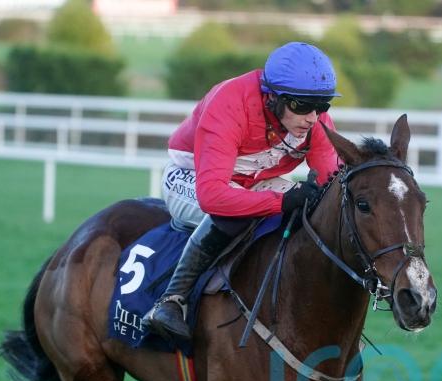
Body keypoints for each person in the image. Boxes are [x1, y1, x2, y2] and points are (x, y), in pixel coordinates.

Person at [141, 42, 341, 342]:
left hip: (249, 182)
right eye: (301, 106)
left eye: (322, 106)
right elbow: (213, 196)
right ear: (272, 97)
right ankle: (171, 301)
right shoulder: (231, 103)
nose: (313, 118)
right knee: (235, 216)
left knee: (314, 211)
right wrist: (281, 201)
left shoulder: (313, 119)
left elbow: (332, 181)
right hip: (191, 177)